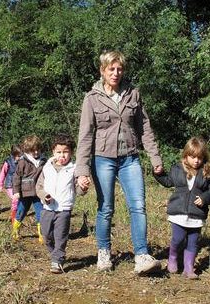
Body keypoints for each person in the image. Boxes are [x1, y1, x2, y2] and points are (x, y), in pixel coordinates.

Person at [75, 50, 164, 274]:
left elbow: (145, 128)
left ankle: (142, 255)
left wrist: (155, 157)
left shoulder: (133, 94)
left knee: (138, 205)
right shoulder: (92, 98)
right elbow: (85, 136)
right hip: (102, 159)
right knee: (106, 208)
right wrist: (82, 170)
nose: (116, 73)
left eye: (119, 69)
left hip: (130, 158)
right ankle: (104, 254)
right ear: (102, 71)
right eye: (111, 69)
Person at [154, 137, 210, 279]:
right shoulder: (177, 169)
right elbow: (167, 181)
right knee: (178, 238)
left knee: (193, 242)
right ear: (185, 156)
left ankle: (188, 268)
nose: (196, 161)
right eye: (193, 157)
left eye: (200, 158)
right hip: (178, 212)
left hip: (197, 214)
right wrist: (158, 173)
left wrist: (205, 198)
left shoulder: (206, 172)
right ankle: (172, 256)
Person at [36, 135, 87, 273]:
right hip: (47, 208)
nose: (62, 155)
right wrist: (44, 196)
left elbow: (78, 190)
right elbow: (39, 187)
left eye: (65, 152)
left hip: (64, 209)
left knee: (60, 236)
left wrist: (83, 187)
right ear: (53, 152)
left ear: (71, 153)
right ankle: (55, 254)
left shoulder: (74, 169)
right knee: (46, 236)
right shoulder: (46, 167)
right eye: (59, 152)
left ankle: (57, 260)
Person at [12, 135, 46, 241]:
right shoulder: (23, 162)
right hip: (25, 193)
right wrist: (16, 191)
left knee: (40, 212)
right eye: (33, 150)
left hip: (38, 192)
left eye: (38, 149)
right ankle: (15, 230)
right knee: (21, 211)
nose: (36, 152)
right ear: (28, 150)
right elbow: (16, 177)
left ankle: (42, 235)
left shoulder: (44, 161)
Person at [0, 144, 22, 221]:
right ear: (14, 154)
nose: (19, 158)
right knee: (15, 199)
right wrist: (0, 185)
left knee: (20, 200)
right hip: (10, 185)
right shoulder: (8, 162)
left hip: (19, 185)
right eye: (18, 156)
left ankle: (19, 213)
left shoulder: (23, 161)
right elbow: (3, 173)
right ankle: (14, 217)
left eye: (21, 155)